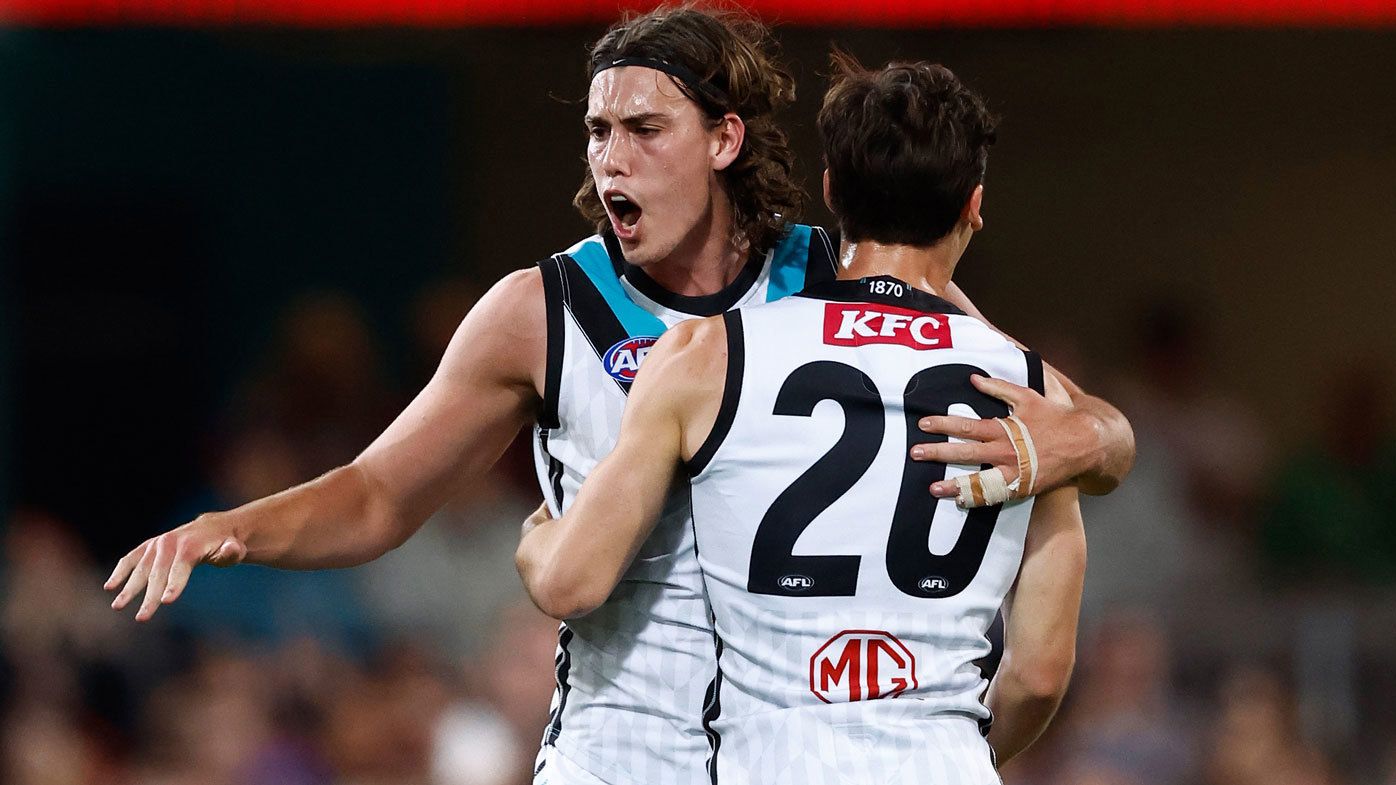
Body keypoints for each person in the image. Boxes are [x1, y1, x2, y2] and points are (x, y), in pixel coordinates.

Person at [105, 7, 1129, 785]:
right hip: (620, 745)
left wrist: (1081, 444)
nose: (609, 158)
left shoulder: (828, 279)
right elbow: (377, 493)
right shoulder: (538, 309)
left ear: (724, 140)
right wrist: (232, 526)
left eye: (643, 127)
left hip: (779, 744)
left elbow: (1067, 410)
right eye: (597, 131)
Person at [515, 53, 1087, 783]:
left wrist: (537, 536)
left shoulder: (709, 355)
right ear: (974, 205)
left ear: (829, 192)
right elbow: (1039, 673)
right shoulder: (1036, 397)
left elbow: (571, 581)